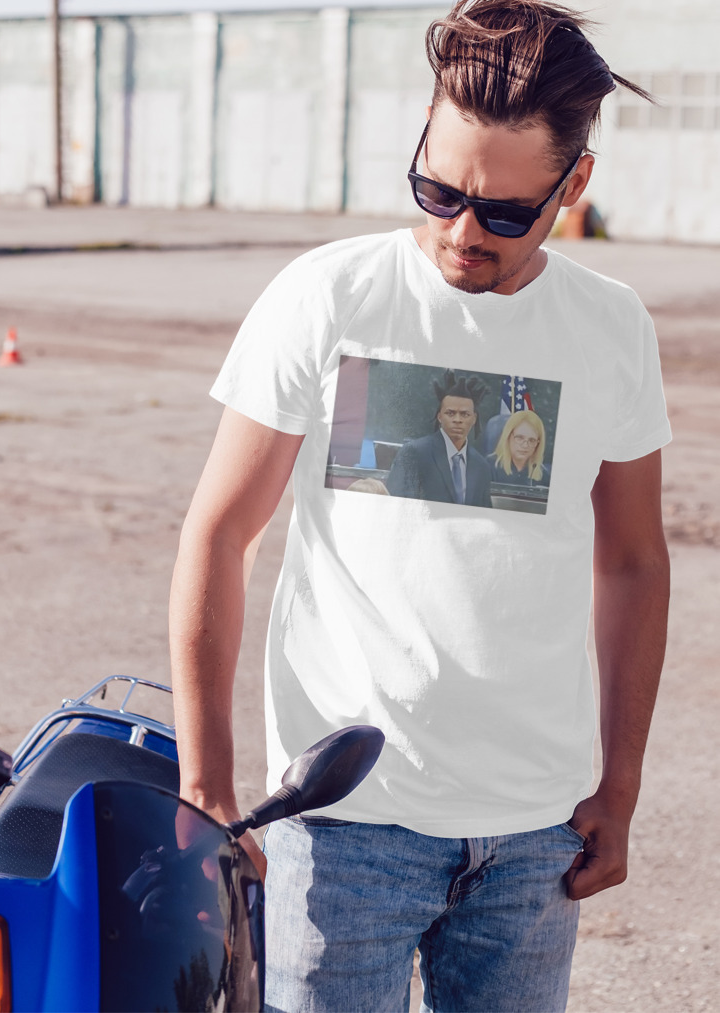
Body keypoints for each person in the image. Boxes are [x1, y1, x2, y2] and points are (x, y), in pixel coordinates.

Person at [169, 2, 671, 1010]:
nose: (461, 231)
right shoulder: (329, 296)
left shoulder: (610, 328)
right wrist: (206, 777)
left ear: (574, 185)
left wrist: (618, 786)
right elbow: (221, 532)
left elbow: (632, 560)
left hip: (534, 833)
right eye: (438, 190)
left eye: (504, 213)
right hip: (341, 823)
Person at [387, 369, 492, 506]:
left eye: (465, 414)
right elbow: (398, 505)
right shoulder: (414, 453)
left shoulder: (481, 466)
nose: (457, 419)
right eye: (450, 413)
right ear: (439, 416)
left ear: (474, 419)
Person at [489, 408, 550, 486]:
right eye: (520, 438)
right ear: (508, 437)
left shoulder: (543, 475)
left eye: (531, 440)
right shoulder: (488, 468)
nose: (525, 445)